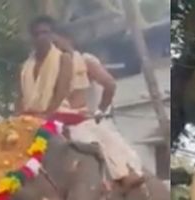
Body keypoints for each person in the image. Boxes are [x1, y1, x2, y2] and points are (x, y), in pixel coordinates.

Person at [47, 27, 144, 188]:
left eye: (56, 43)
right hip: (52, 122)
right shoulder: (50, 68)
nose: (54, 48)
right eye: (51, 45)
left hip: (80, 122)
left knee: (104, 144)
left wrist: (100, 110)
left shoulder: (85, 61)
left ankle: (123, 177)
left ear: (68, 40)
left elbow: (109, 84)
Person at [18, 16, 73, 118]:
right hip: (30, 118)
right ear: (32, 38)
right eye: (36, 34)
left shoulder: (63, 59)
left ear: (52, 35)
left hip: (56, 117)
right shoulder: (25, 67)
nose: (41, 37)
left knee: (41, 134)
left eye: (45, 33)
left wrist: (45, 116)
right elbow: (20, 98)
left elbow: (61, 94)